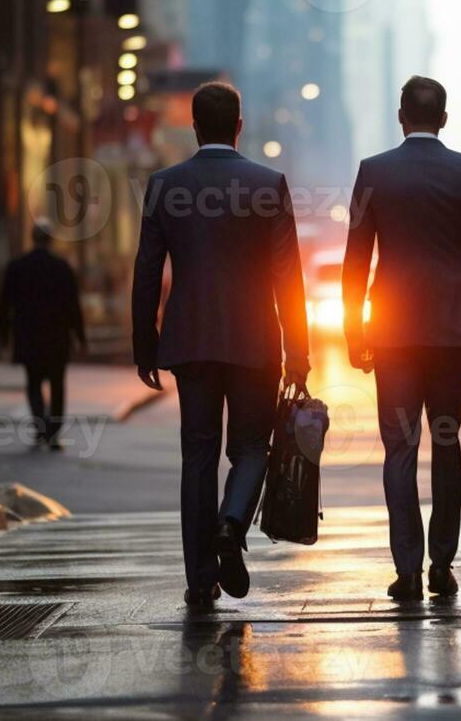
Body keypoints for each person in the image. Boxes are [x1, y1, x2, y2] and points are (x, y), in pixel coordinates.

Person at [131, 82, 310, 611]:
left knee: (198, 454)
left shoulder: (165, 184)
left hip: (190, 341)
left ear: (193, 126)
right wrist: (298, 351)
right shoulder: (267, 184)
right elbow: (288, 277)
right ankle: (232, 523)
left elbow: (147, 271)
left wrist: (146, 344)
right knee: (252, 447)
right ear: (239, 125)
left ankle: (199, 580)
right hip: (255, 341)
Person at [342, 76, 461, 602]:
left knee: (399, 447)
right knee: (446, 440)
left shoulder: (373, 173)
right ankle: (442, 564)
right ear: (445, 118)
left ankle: (407, 569)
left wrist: (354, 333)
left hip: (392, 332)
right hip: (455, 333)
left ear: (400, 117)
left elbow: (355, 262)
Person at [1, 221, 86, 449]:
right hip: (56, 336)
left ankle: (40, 425)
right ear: (50, 240)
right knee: (58, 385)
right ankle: (53, 431)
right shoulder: (61, 267)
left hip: (28, 335)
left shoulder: (17, 266)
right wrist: (79, 336)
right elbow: (73, 305)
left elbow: (4, 304)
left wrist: (4, 337)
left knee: (33, 382)